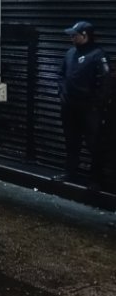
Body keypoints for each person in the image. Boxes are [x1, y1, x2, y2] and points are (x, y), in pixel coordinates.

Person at [57, 21, 110, 186]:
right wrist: (62, 94)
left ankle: (96, 178)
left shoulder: (97, 54)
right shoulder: (70, 53)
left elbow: (105, 81)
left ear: (85, 35)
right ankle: (70, 172)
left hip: (89, 109)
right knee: (71, 142)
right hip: (70, 107)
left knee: (94, 143)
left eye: (75, 35)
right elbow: (62, 75)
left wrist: (96, 103)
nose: (72, 38)